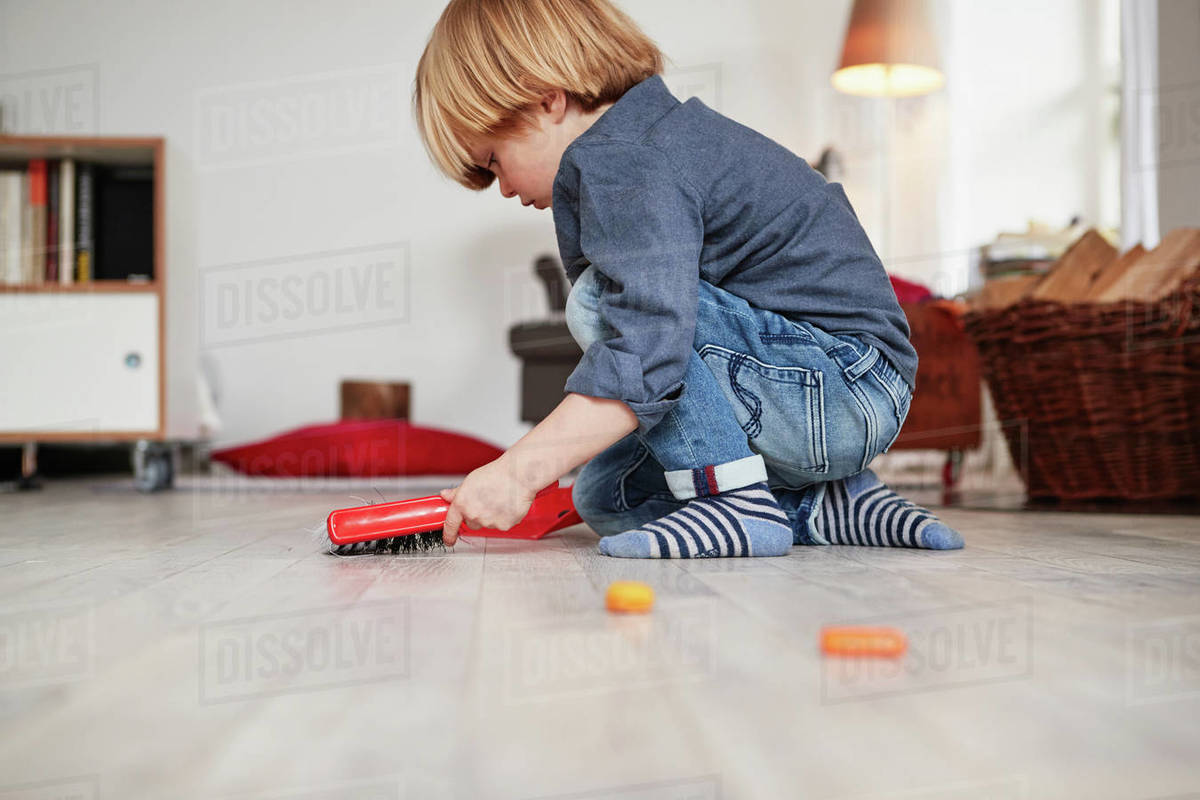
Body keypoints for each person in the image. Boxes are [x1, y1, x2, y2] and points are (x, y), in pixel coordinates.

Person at [414, 0, 963, 557]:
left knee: (599, 302)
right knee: (606, 496)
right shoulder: (649, 142)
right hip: (846, 391)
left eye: (493, 161)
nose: (502, 188)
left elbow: (647, 349)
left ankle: (734, 506)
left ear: (548, 99)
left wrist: (516, 472)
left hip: (842, 384)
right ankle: (823, 503)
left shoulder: (624, 159)